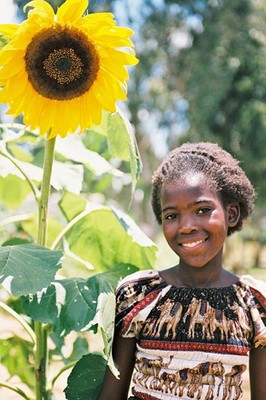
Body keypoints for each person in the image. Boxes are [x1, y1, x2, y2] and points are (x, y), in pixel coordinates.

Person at [98, 142, 266, 400]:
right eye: (171, 216)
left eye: (202, 210)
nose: (186, 226)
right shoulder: (137, 294)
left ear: (230, 213)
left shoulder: (254, 303)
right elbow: (112, 392)